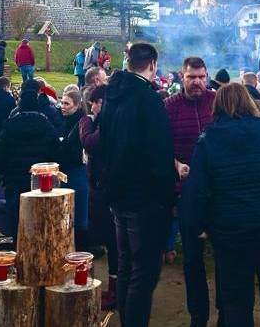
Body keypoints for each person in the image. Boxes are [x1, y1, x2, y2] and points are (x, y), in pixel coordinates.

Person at [180, 83, 260, 326]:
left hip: (233, 230)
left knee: (237, 301)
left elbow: (196, 190)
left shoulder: (209, 140)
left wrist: (196, 225)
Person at [99, 43, 177, 327]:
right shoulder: (147, 98)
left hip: (118, 193)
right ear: (153, 64)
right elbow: (159, 150)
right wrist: (167, 197)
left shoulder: (112, 94)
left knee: (127, 267)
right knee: (144, 273)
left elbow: (104, 140)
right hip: (144, 198)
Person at [162, 57, 216, 327]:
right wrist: (176, 165)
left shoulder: (216, 101)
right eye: (191, 77)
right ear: (181, 77)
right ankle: (199, 315)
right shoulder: (169, 107)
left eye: (201, 77)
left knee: (226, 255)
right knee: (193, 259)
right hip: (186, 192)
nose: (197, 82)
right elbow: (160, 147)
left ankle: (228, 313)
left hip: (218, 193)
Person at [0, 79, 60, 239]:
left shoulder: (10, 124)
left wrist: (7, 172)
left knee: (18, 229)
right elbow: (57, 152)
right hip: (42, 185)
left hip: (15, 185)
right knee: (42, 230)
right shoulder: (46, 124)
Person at [78, 84, 119, 310]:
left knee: (112, 242)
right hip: (102, 190)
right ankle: (111, 287)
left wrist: (86, 121)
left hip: (107, 191)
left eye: (94, 102)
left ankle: (115, 291)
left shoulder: (108, 124)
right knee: (108, 241)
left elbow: (91, 143)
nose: (91, 106)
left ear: (101, 103)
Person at [59, 89, 90, 251]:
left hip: (78, 173)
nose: (62, 106)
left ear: (77, 105)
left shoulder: (82, 123)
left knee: (79, 215)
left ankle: (82, 253)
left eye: (66, 104)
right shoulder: (63, 121)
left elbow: (78, 152)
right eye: (61, 102)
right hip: (65, 173)